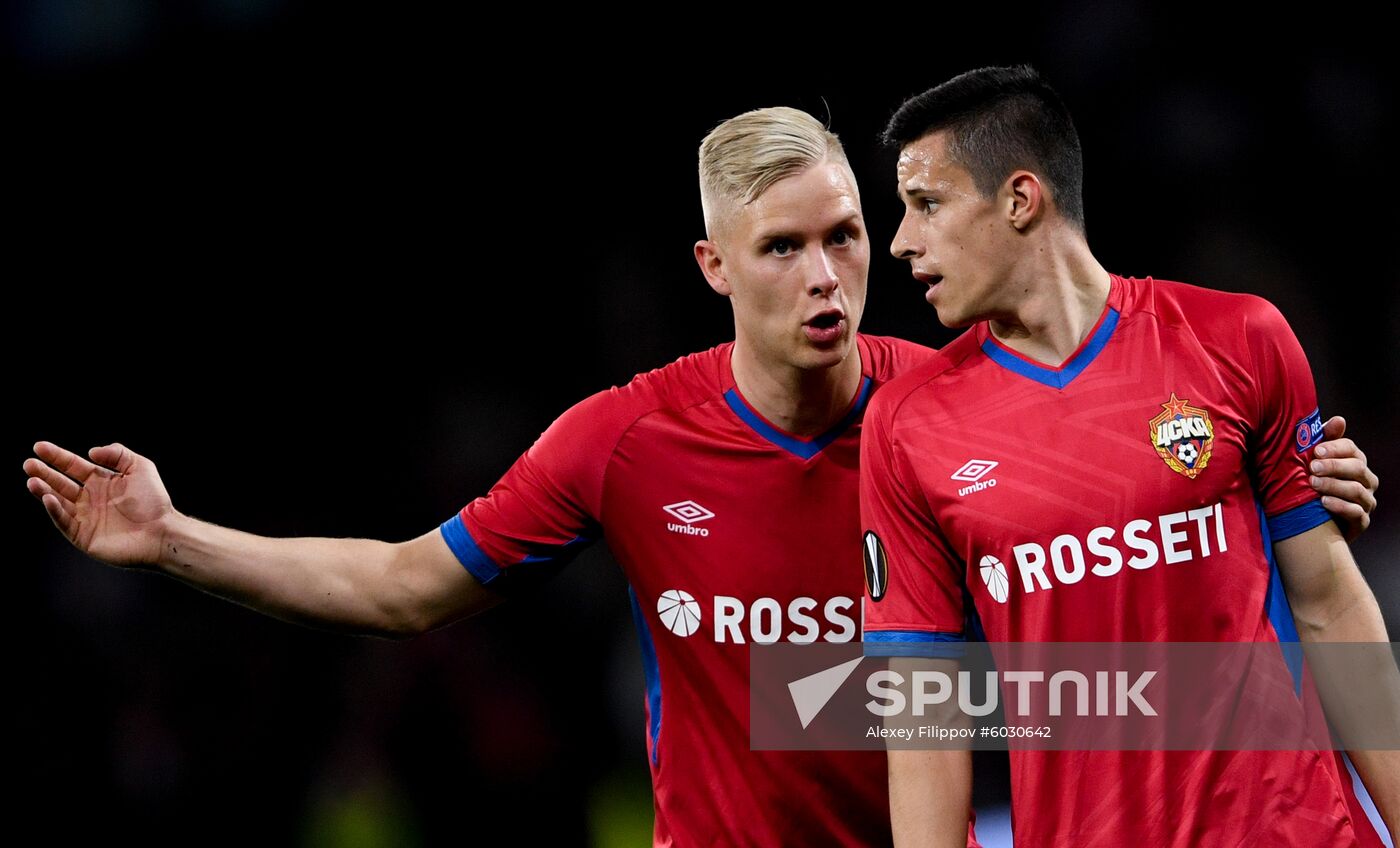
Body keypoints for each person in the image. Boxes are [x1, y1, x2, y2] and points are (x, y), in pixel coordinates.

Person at [24, 106, 1377, 848]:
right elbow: (403, 588)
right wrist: (177, 538)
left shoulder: (953, 401)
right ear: (715, 269)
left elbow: (1139, 589)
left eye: (847, 236)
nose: (828, 275)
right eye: (782, 247)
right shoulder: (626, 440)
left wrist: (1277, 496)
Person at [859, 64, 1396, 847]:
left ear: (1019, 199)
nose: (902, 241)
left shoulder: (1235, 340)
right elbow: (922, 711)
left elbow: (1330, 604)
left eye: (927, 205)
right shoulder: (908, 426)